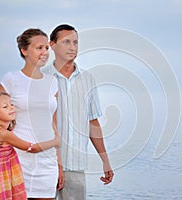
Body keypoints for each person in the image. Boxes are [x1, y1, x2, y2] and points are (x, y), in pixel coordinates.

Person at [0, 28, 64, 199]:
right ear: (24, 51)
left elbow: (53, 123)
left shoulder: (53, 82)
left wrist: (59, 164)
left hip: (47, 161)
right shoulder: (11, 79)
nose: (45, 52)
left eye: (46, 48)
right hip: (17, 160)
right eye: (39, 48)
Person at [42, 24, 114, 200]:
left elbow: (92, 122)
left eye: (75, 42)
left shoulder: (88, 79)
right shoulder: (40, 78)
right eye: (66, 42)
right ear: (52, 45)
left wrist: (105, 160)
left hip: (76, 164)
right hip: (44, 164)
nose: (72, 47)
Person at [0, 92, 60, 200]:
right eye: (5, 106)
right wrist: (55, 141)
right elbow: (32, 148)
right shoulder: (3, 134)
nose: (11, 108)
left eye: (12, 104)